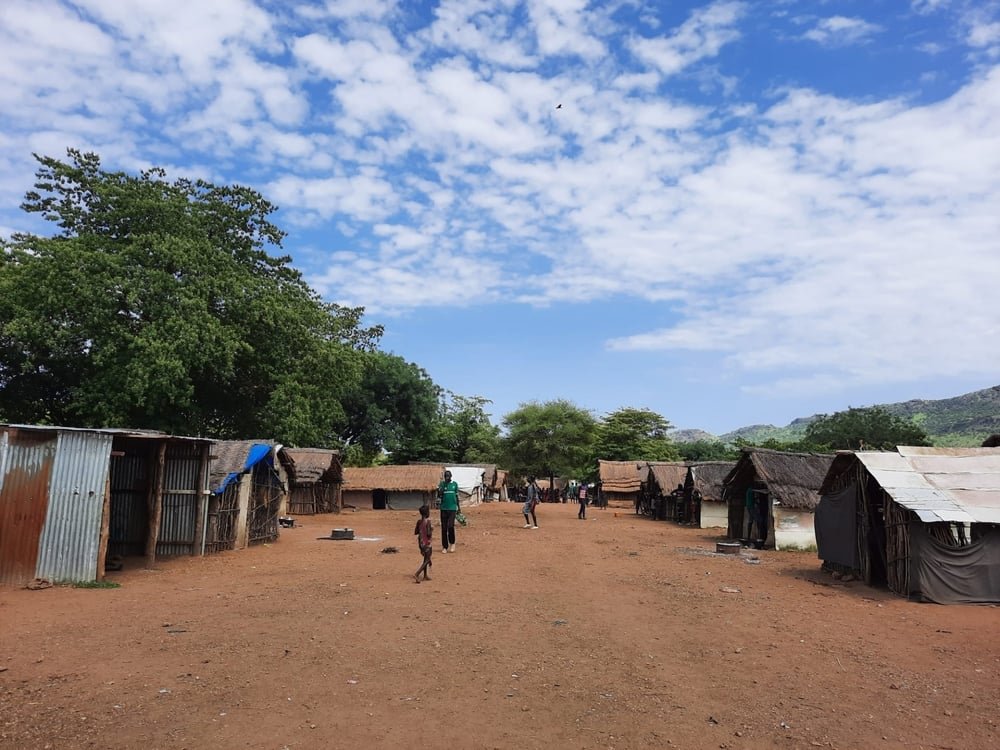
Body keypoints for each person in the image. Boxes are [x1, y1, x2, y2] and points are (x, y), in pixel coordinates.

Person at [437, 470, 460, 553]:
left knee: (450, 526)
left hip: (452, 508)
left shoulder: (455, 484)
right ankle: (445, 547)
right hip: (443, 508)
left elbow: (457, 497)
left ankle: (452, 543)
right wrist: (442, 487)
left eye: (448, 476)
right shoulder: (442, 484)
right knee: (444, 528)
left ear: (451, 476)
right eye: (446, 476)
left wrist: (459, 508)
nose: (447, 478)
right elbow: (439, 494)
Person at [413, 504, 433, 582]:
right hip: (427, 543)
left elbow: (416, 532)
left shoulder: (419, 522)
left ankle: (425, 575)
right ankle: (417, 574)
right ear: (427, 513)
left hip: (420, 543)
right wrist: (431, 529)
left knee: (425, 559)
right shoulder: (428, 522)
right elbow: (428, 534)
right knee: (427, 560)